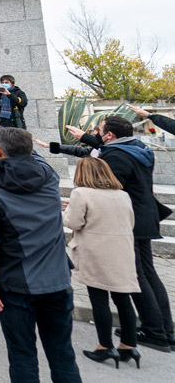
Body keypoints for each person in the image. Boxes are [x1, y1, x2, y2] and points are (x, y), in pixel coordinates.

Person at [52, 114, 173, 351]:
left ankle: (156, 332)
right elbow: (99, 152)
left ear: (110, 135)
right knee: (147, 274)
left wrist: (84, 200)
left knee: (138, 276)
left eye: (99, 130)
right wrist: (75, 141)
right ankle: (163, 330)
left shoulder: (116, 156)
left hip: (127, 221)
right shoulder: (137, 148)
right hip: (143, 216)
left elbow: (107, 189)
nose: (97, 134)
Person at [0, 123, 81, 382]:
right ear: (31, 150)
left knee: (22, 356)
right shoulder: (49, 175)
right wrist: (4, 132)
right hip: (56, 280)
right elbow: (34, 156)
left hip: (14, 284)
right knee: (63, 354)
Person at [63, 155, 141, 368]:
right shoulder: (123, 194)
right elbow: (130, 222)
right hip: (122, 251)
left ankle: (105, 346)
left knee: (99, 300)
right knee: (123, 300)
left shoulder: (80, 192)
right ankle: (129, 345)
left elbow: (73, 222)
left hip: (96, 251)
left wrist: (66, 210)